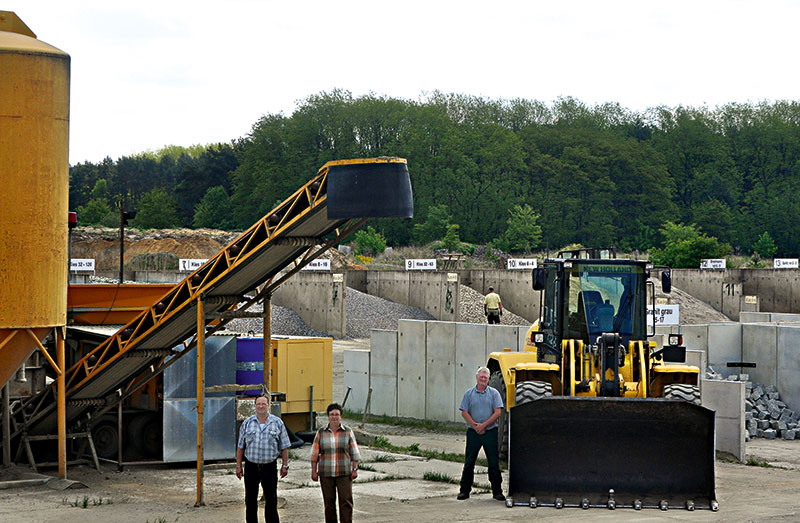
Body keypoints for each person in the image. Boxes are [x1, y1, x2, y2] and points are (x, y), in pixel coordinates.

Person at [236, 393, 291, 523]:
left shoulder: (277, 423)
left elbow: (284, 446)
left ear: (269, 406)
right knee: (250, 500)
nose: (261, 406)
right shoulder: (247, 423)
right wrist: (238, 466)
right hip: (251, 466)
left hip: (269, 467)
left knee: (271, 500)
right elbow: (240, 447)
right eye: (258, 404)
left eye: (263, 404)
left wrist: (285, 465)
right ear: (255, 406)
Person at [457, 366, 505, 501]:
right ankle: (464, 491)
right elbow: (464, 412)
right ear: (477, 378)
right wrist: (475, 425)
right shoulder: (469, 394)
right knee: (469, 462)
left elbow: (498, 412)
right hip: (473, 433)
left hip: (490, 432)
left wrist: (484, 425)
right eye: (481, 377)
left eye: (485, 377)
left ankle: (497, 491)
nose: (483, 379)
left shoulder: (494, 393)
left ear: (489, 379)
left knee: (493, 462)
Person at [311, 403, 361, 523]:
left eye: (337, 414)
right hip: (326, 473)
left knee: (346, 501)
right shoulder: (321, 432)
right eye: (332, 414)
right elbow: (314, 454)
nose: (334, 417)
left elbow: (354, 452)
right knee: (329, 503)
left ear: (341, 416)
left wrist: (355, 469)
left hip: (344, 473)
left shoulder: (348, 432)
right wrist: (314, 471)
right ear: (328, 416)